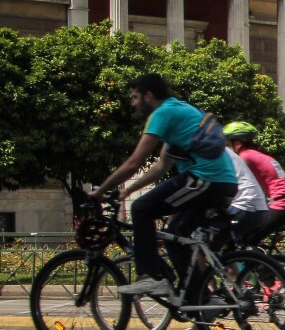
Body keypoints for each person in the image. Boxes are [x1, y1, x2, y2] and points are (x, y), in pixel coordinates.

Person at [89, 73, 237, 296]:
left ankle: (152, 276)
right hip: (221, 182)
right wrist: (129, 189)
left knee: (141, 208)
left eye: (135, 97)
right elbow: (161, 166)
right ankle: (201, 299)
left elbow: (134, 162)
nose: (133, 103)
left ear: (148, 96)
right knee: (176, 235)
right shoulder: (180, 112)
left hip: (204, 180)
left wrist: (99, 191)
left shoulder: (162, 113)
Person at [222, 121, 285, 245]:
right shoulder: (258, 154)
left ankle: (261, 263)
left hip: (280, 206)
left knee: (246, 240)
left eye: (228, 144)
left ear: (237, 143)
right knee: (251, 238)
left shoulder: (245, 157)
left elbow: (237, 181)